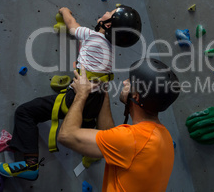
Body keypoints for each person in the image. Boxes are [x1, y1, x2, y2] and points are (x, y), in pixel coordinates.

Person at [0, 5, 142, 181]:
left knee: (25, 112)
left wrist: (64, 11)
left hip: (77, 96)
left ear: (109, 25)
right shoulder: (111, 50)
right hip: (95, 103)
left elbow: (72, 25)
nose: (104, 12)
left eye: (108, 13)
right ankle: (91, 154)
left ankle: (30, 164)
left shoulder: (92, 36)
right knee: (88, 125)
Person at [58, 58, 181, 192]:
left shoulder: (133, 139)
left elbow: (66, 135)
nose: (124, 82)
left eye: (129, 82)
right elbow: (111, 138)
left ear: (136, 96)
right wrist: (103, 92)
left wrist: (81, 94)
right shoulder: (164, 138)